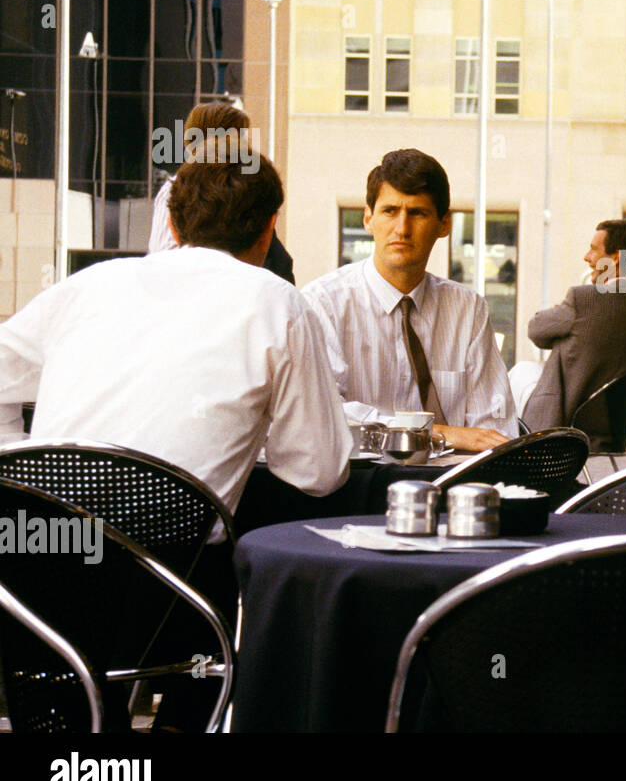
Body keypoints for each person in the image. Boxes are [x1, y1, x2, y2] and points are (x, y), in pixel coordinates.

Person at [0, 143, 351, 514]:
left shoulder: (87, 284)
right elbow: (318, 473)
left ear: (171, 224)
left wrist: (17, 457)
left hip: (42, 549)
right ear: (269, 230)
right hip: (172, 563)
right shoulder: (280, 305)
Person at [303, 149, 516, 452]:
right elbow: (323, 413)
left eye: (417, 213)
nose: (401, 229)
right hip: (358, 482)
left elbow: (493, 426)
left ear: (444, 225)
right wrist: (433, 432)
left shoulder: (468, 310)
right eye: (390, 211)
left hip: (450, 481)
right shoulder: (323, 303)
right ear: (368, 219)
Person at [520, 219, 626, 431]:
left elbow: (536, 330)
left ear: (616, 258)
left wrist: (561, 314)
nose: (586, 257)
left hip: (561, 423)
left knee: (520, 371)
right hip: (613, 431)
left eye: (593, 250)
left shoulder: (583, 300)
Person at [149, 101, 296, 284]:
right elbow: (163, 258)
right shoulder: (176, 189)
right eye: (239, 136)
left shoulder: (241, 188)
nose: (245, 144)